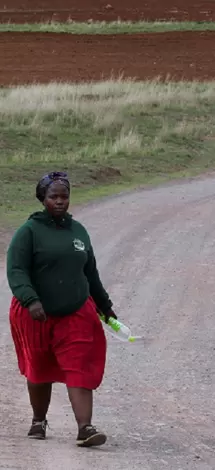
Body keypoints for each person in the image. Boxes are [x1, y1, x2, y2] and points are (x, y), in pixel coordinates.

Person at [6, 171, 117, 448]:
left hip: (76, 312)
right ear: (42, 198)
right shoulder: (29, 232)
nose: (59, 201)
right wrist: (30, 300)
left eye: (64, 196)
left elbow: (90, 273)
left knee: (79, 364)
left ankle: (85, 428)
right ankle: (38, 420)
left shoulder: (78, 231)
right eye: (53, 196)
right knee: (39, 366)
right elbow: (16, 270)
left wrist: (105, 306)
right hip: (36, 313)